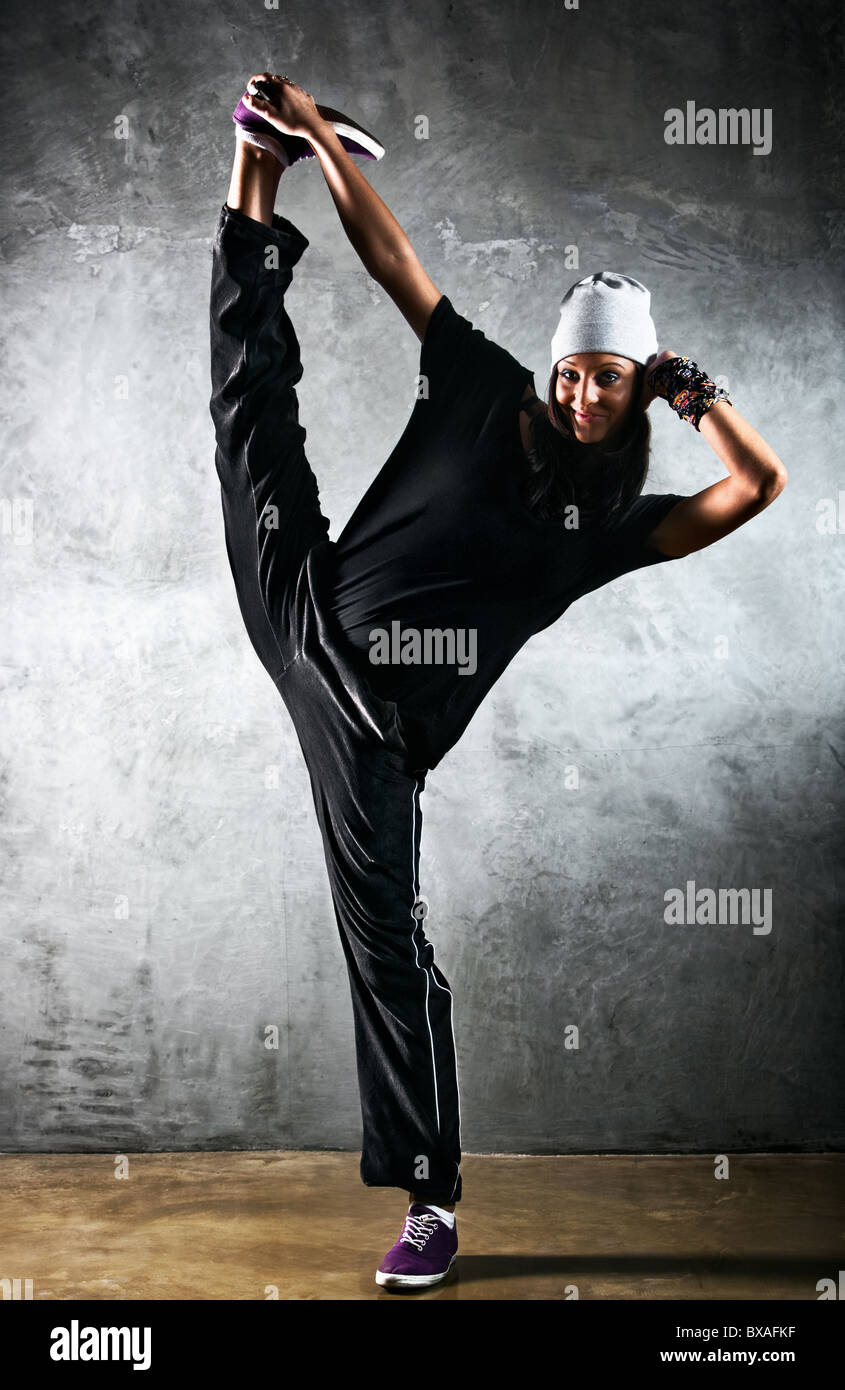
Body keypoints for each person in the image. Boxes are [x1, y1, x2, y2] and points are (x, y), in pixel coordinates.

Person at [208, 72, 788, 1291]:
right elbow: (392, 259)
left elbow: (755, 487)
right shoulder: (479, 381)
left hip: (374, 726)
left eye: (608, 380)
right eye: (572, 370)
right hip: (304, 607)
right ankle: (257, 164)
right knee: (252, 413)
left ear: (636, 392)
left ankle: (431, 1205)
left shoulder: (609, 529)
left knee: (386, 949)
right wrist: (316, 140)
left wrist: (701, 393)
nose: (580, 392)